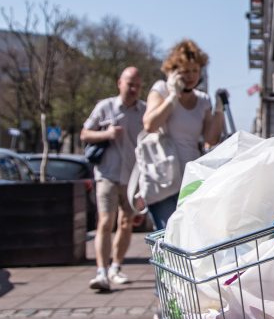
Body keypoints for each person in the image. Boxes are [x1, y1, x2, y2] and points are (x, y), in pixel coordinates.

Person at [142, 39, 226, 230]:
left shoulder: (203, 100)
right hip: (163, 178)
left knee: (189, 236)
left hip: (190, 179)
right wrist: (172, 96)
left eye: (195, 71)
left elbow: (210, 139)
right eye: (185, 71)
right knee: (168, 235)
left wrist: (219, 110)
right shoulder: (161, 90)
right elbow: (150, 124)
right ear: (173, 70)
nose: (190, 76)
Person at [81, 66, 145, 292]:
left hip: (132, 178)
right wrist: (106, 134)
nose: (134, 89)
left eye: (137, 85)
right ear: (120, 83)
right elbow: (85, 134)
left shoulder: (144, 111)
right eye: (130, 84)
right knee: (105, 221)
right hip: (106, 175)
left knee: (126, 224)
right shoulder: (104, 107)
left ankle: (116, 267)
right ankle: (101, 271)